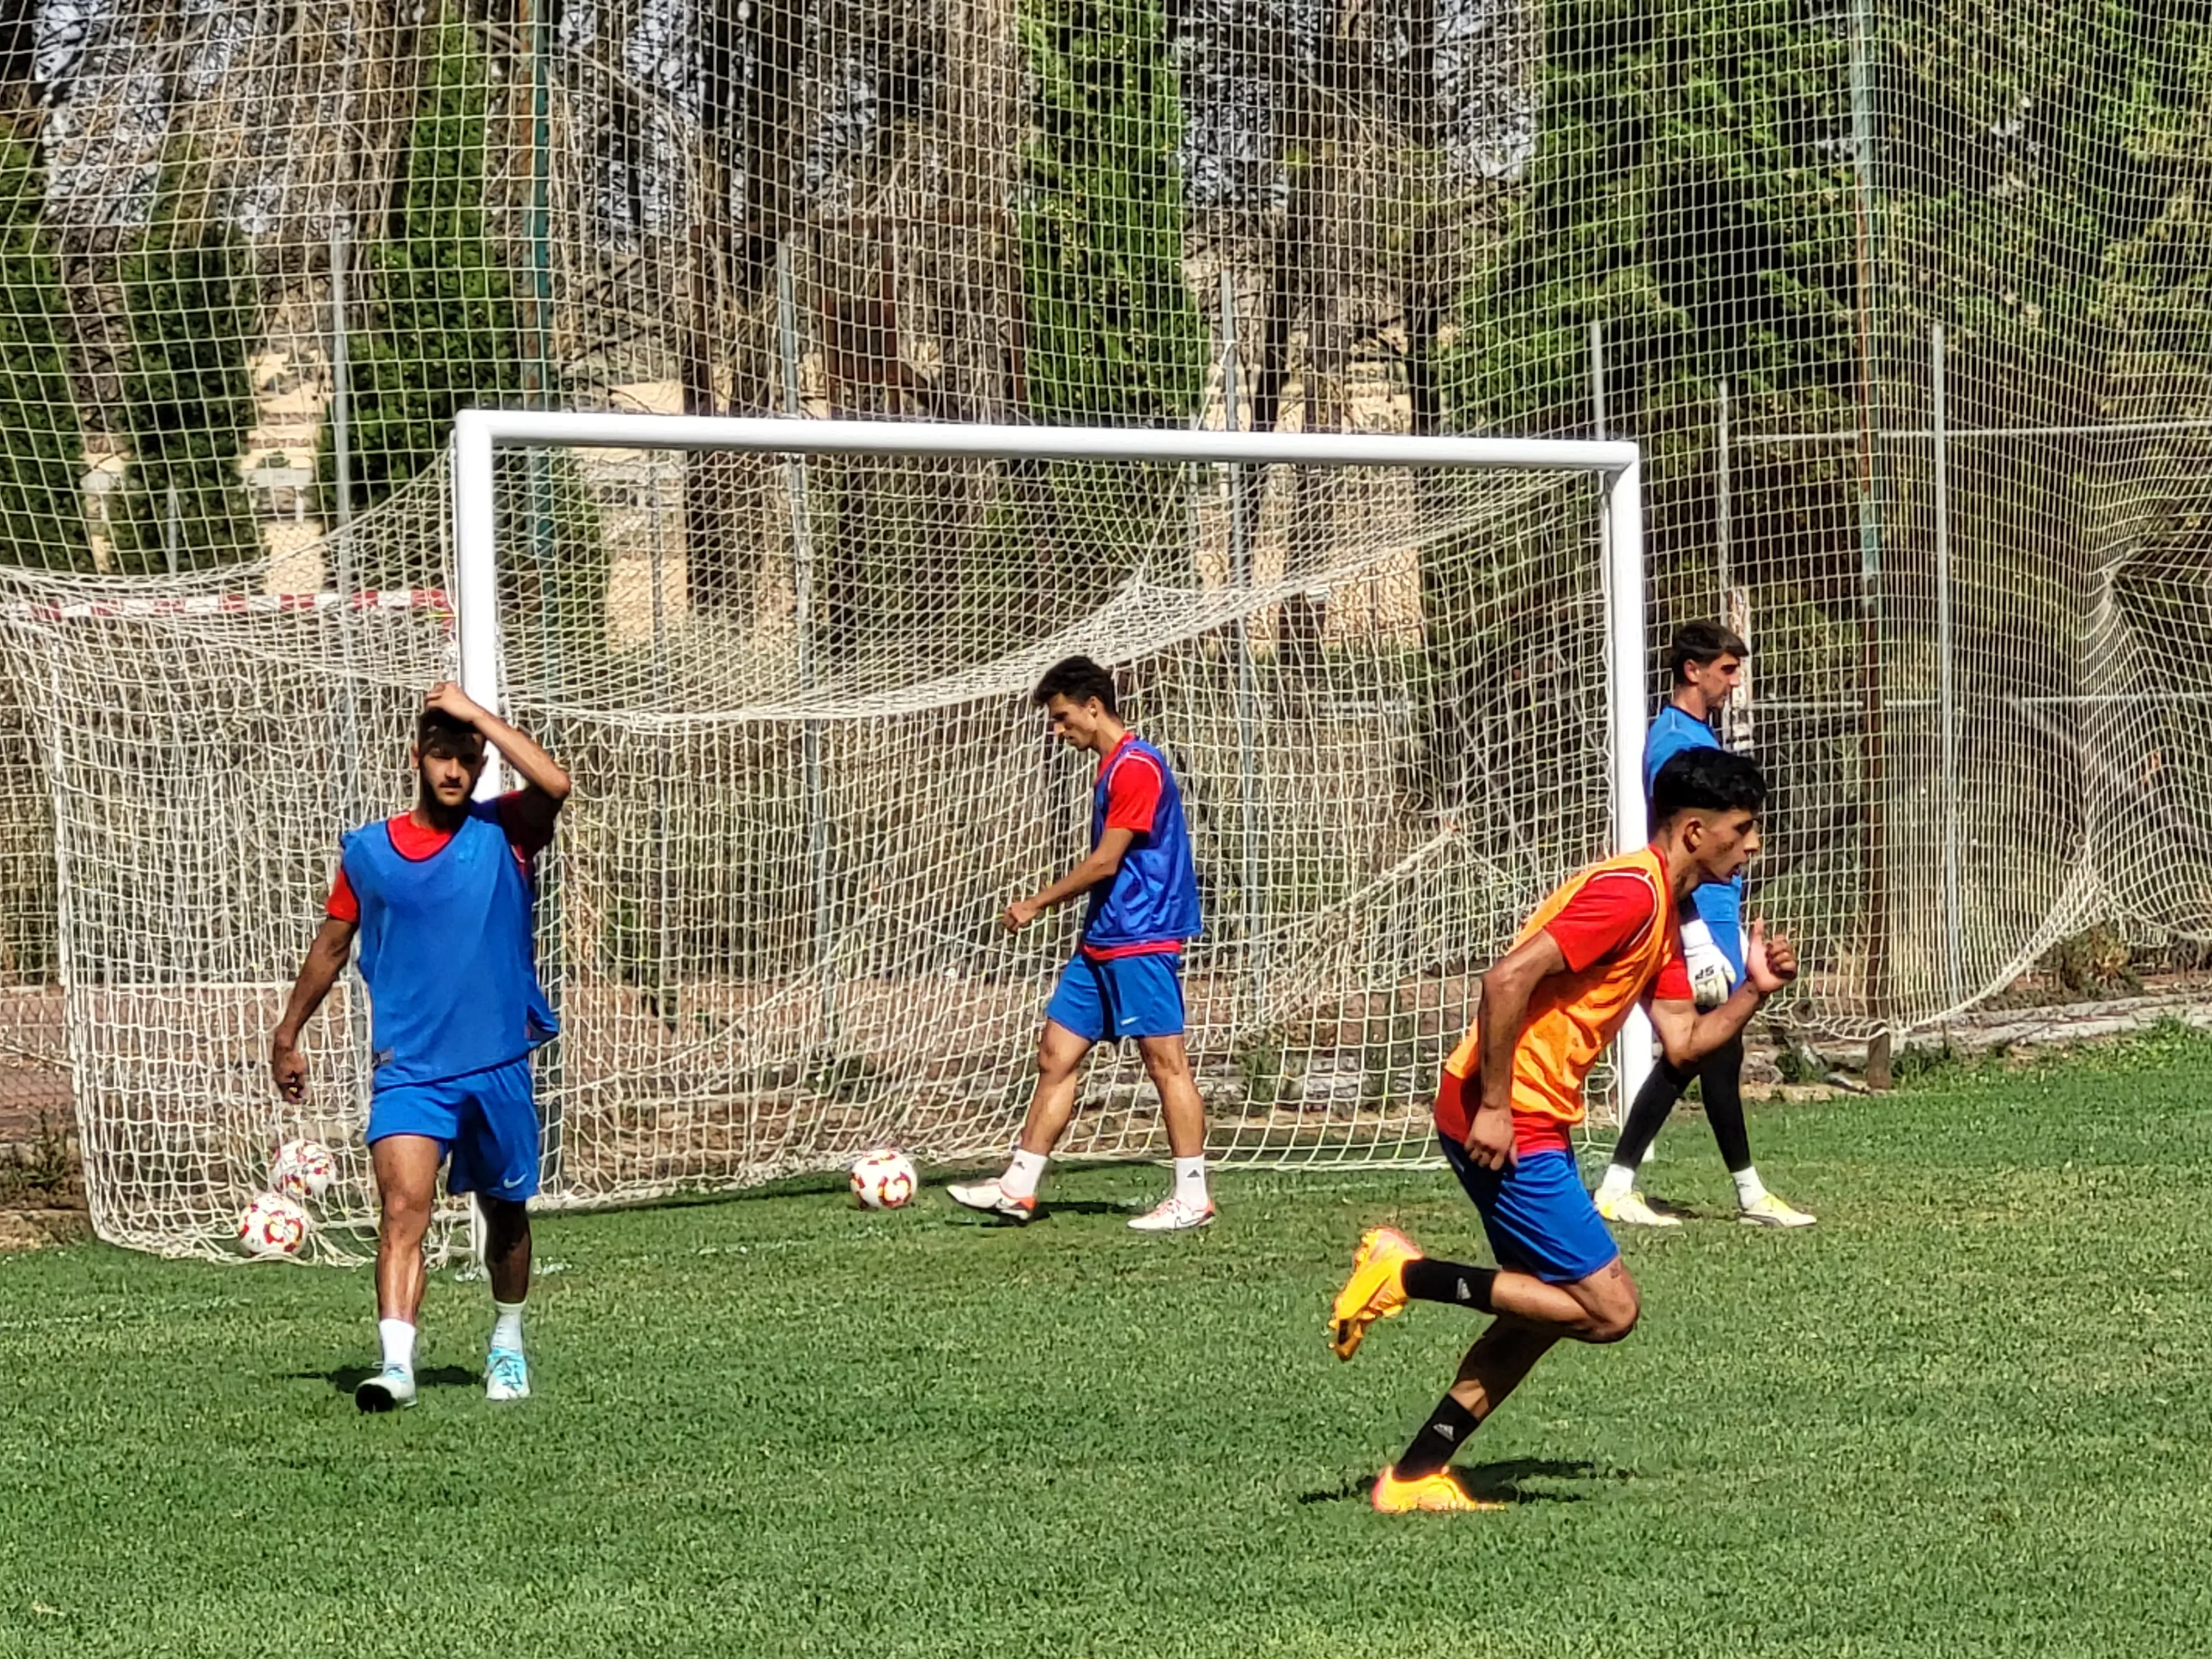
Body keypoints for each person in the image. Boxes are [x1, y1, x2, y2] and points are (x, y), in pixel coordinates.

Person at [1328, 749, 1797, 1512]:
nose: (1752, 846)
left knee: (1539, 1312)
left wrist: (1754, 992)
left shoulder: (1665, 917)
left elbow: (1681, 1044)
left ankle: (1413, 1478)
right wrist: (1496, 1105)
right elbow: (1505, 979)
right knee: (1610, 1311)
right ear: (1692, 833)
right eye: (1742, 830)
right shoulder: (1628, 896)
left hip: (1526, 1114)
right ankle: (1404, 1274)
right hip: (1511, 1118)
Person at [270, 682, 570, 1411]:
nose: (454, 770)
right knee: (404, 1211)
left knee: (506, 1216)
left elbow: (556, 783)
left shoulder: (507, 830)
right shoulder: (369, 853)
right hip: (409, 1069)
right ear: (418, 758)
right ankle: (396, 1368)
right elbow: (333, 944)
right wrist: (288, 1033)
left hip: (497, 1062)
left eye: (467, 757)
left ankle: (506, 1342)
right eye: (443, 754)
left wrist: (478, 716)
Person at [947, 655, 1213, 1232]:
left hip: (1142, 937)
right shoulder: (1111, 766)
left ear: (1094, 707)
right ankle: (1017, 1187)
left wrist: (1034, 903)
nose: (1058, 730)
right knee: (1055, 1054)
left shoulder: (1137, 768)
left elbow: (1104, 863)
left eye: (1064, 717)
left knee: (1165, 1063)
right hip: (1103, 938)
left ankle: (1192, 1196)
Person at [1593, 621, 1814, 1229]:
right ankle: (1637, 1185)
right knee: (1697, 1048)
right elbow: (1672, 843)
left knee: (1712, 1052)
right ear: (1692, 671)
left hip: (1716, 914)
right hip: (1697, 918)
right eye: (1725, 670)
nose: (1733, 682)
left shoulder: (1696, 733)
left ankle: (1741, 1194)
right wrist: (1691, 934)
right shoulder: (1672, 741)